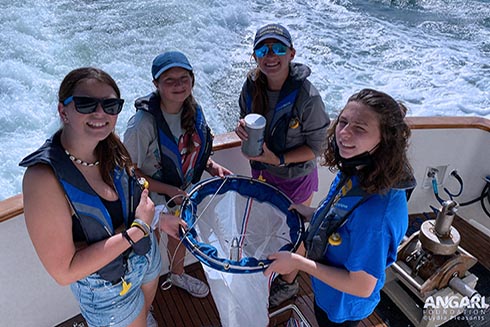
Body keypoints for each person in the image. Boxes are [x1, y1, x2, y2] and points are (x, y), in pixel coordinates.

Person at [20, 67, 164, 327]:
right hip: (107, 287)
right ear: (63, 111)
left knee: (145, 311)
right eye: (86, 104)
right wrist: (140, 228)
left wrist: (159, 221)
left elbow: (133, 203)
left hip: (144, 256)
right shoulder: (43, 179)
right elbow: (65, 272)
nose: (100, 113)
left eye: (110, 105)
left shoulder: (111, 147)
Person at [264, 88, 413, 327]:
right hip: (326, 291)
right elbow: (343, 217)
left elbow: (361, 286)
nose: (343, 134)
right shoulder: (360, 167)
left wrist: (297, 263)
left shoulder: (376, 217)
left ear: (385, 140)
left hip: (343, 305)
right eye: (343, 122)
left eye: (360, 128)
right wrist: (312, 213)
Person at [235, 23, 330, 307]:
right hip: (262, 173)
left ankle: (289, 284)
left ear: (291, 53)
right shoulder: (252, 85)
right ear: (255, 56)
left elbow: (317, 147)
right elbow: (246, 117)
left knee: (293, 231)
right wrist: (242, 131)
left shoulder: (307, 97)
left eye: (278, 48)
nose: (270, 55)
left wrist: (276, 158)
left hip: (294, 178)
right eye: (263, 49)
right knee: (268, 225)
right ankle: (276, 266)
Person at [124, 51, 231, 298]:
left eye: (183, 78)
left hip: (181, 194)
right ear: (156, 85)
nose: (178, 85)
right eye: (169, 80)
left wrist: (211, 166)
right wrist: (167, 190)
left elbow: (192, 150)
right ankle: (144, 304)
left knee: (181, 237)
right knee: (147, 254)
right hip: (150, 200)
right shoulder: (142, 124)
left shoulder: (194, 111)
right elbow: (129, 172)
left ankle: (177, 274)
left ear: (192, 81)